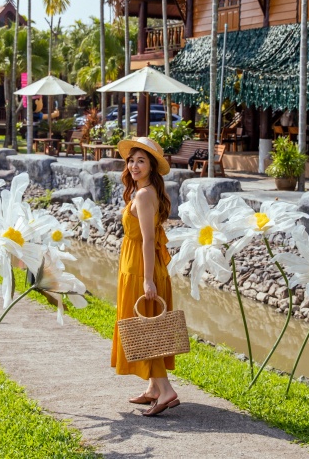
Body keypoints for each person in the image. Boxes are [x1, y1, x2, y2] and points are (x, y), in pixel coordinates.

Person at [111, 136, 179, 417]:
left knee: (145, 328)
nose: (135, 165)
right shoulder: (143, 192)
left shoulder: (143, 194)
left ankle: (165, 390)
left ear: (152, 166)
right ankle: (153, 388)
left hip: (141, 267)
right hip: (136, 264)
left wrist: (147, 279)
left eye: (141, 161)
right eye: (131, 160)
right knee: (146, 325)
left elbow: (149, 240)